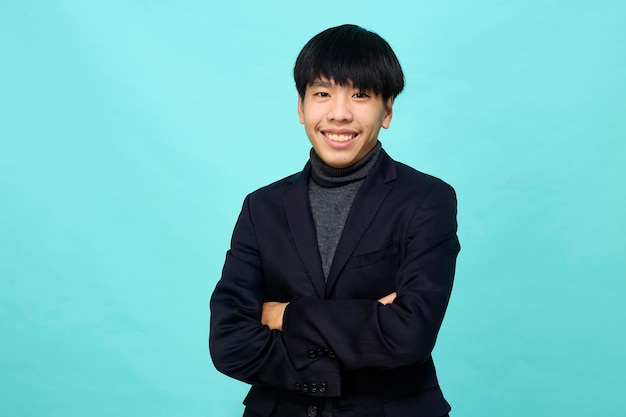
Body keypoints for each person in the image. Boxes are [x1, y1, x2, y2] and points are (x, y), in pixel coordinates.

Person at [209, 24, 460, 417]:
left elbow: (410, 335)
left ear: (388, 109)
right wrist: (367, 323)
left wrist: (283, 315)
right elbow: (229, 342)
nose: (339, 114)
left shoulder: (427, 200)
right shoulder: (262, 207)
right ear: (301, 107)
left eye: (360, 95)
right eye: (322, 94)